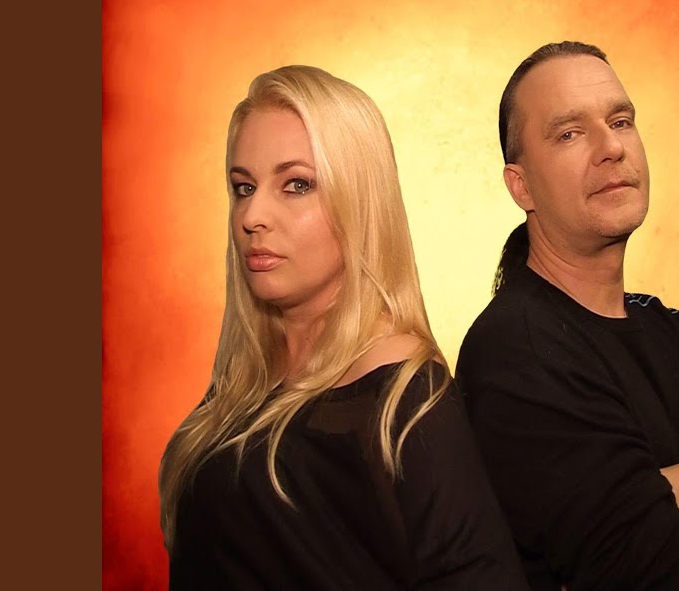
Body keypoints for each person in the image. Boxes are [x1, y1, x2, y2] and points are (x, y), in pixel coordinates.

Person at [456, 42, 679, 591]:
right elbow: (666, 580)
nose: (611, 148)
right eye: (569, 133)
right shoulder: (517, 351)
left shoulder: (663, 326)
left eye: (620, 122)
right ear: (521, 186)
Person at [159, 65, 529, 590]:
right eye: (244, 187)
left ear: (360, 200)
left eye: (296, 185)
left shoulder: (404, 398)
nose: (252, 215)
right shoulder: (243, 384)